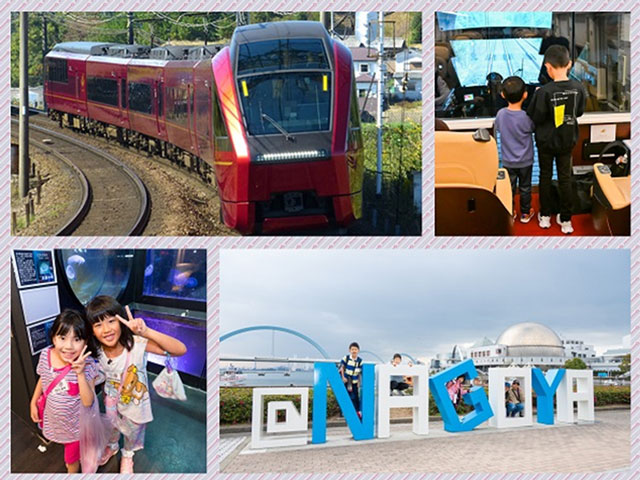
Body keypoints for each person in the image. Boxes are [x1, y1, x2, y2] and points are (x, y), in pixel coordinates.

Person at [86, 295, 187, 473]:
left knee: (132, 433)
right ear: (92, 330)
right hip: (112, 403)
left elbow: (180, 349)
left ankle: (127, 454)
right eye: (98, 324)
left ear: (121, 322)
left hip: (136, 406)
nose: (106, 329)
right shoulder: (97, 352)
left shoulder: (136, 344)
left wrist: (145, 332)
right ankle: (113, 446)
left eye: (111, 321)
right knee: (112, 428)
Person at [29, 310, 99, 473]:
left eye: (77, 339)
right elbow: (43, 379)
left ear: (85, 342)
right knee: (67, 451)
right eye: (62, 338)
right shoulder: (46, 355)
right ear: (53, 337)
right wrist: (33, 401)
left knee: (72, 461)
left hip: (75, 427)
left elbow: (88, 401)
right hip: (54, 420)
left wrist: (80, 373)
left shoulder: (87, 364)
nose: (69, 346)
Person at [527, 45, 586, 234]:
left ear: (547, 67)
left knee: (545, 176)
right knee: (565, 178)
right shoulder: (579, 88)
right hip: (567, 141)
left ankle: (545, 216)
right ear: (569, 64)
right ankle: (566, 219)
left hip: (546, 143)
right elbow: (579, 112)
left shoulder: (543, 92)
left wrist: (537, 96)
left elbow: (535, 116)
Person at [494, 76, 536, 223]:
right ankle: (525, 213)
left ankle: (510, 212)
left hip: (508, 160)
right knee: (525, 187)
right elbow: (532, 129)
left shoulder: (500, 114)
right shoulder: (526, 117)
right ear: (525, 95)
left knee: (509, 188)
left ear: (503, 95)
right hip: (526, 161)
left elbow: (498, 128)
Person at [339, 342, 363, 418]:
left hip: (354, 382)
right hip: (346, 380)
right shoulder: (346, 358)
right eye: (352, 349)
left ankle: (357, 412)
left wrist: (359, 382)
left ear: (358, 350)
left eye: (355, 349)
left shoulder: (360, 361)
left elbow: (360, 372)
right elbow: (341, 367)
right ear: (349, 350)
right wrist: (343, 377)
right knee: (344, 396)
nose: (354, 351)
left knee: (355, 397)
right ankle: (343, 412)